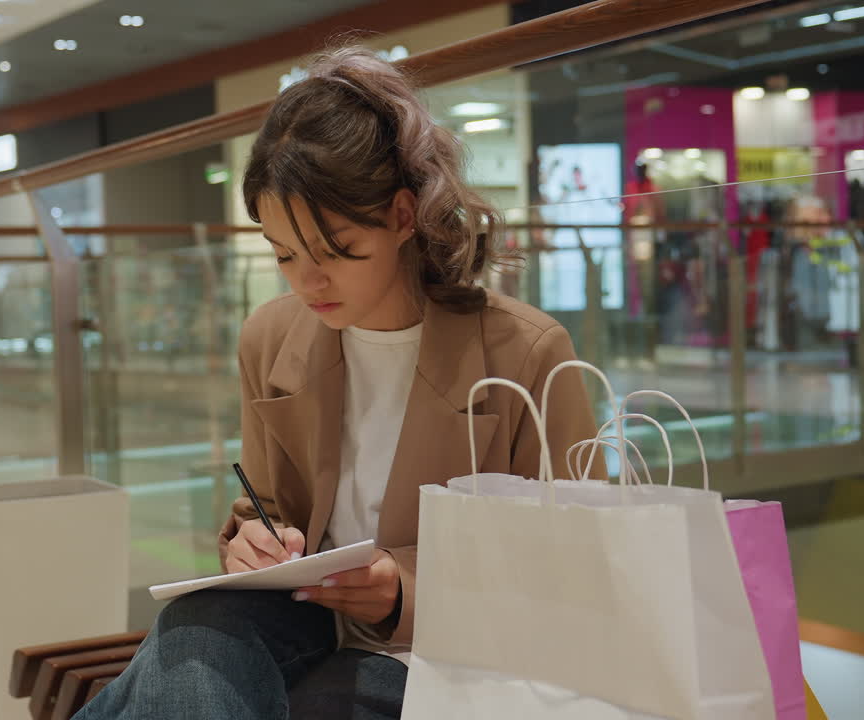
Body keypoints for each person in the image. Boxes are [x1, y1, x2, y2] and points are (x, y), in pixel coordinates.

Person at [75, 46, 601, 720]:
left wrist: (403, 592)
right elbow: (263, 506)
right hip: (305, 618)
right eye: (284, 254)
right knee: (195, 631)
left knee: (213, 684)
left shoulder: (522, 352)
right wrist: (252, 544)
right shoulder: (272, 337)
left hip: (452, 654)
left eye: (337, 251)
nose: (307, 282)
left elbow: (577, 569)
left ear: (404, 217)